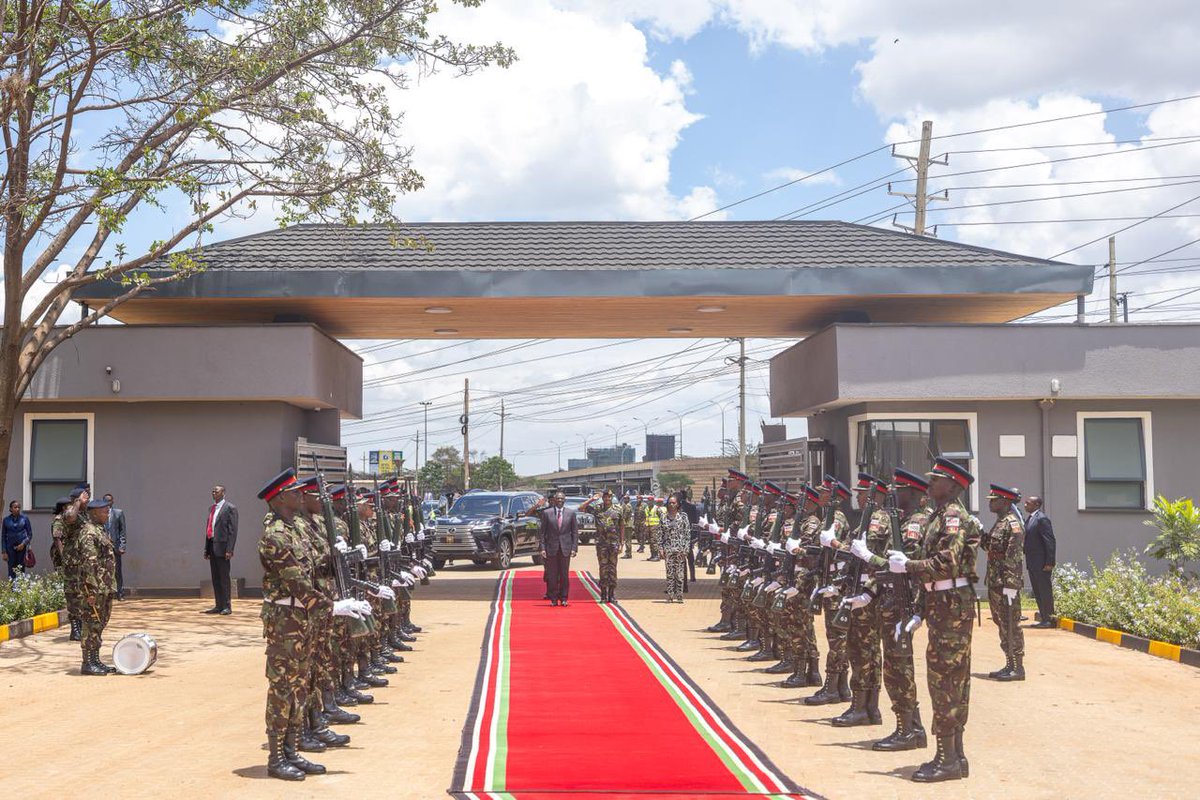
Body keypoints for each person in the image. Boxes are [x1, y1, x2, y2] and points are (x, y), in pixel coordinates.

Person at [886, 457, 982, 783]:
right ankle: (955, 755)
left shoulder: (954, 517)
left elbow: (947, 563)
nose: (930, 483)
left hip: (952, 607)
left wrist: (908, 566)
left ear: (953, 486)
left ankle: (947, 759)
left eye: (937, 479)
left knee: (946, 682)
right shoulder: (940, 516)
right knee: (949, 680)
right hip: (942, 605)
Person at [257, 468, 332, 782]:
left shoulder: (298, 529)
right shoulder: (274, 536)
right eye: (294, 491)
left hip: (303, 619)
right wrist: (332, 607)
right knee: (283, 688)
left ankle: (292, 750)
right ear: (279, 498)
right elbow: (297, 582)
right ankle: (275, 758)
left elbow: (316, 569)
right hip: (286, 620)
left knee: (301, 686)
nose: (301, 495)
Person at [61, 494, 118, 675]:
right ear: (94, 514)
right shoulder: (88, 532)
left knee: (100, 623)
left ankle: (96, 660)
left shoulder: (100, 530)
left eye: (108, 510)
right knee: (91, 623)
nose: (107, 513)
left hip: (105, 586)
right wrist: (91, 590)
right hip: (94, 587)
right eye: (104, 511)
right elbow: (89, 562)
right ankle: (87, 663)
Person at [984, 484, 1026, 681]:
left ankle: (1018, 667)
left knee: (1011, 623)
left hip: (1006, 582)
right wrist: (980, 532)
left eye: (994, 500)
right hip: (995, 580)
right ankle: (1009, 663)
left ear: (1005, 502)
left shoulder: (1012, 524)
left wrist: (1011, 584)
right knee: (1001, 622)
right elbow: (990, 548)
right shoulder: (1000, 522)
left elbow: (1014, 557)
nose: (991, 502)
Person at [581, 489, 624, 603]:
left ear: (612, 498)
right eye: (605, 497)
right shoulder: (597, 508)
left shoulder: (618, 509)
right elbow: (581, 508)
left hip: (614, 543)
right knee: (603, 568)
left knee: (613, 568)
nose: (607, 499)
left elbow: (622, 526)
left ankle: (612, 594)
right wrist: (592, 499)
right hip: (601, 543)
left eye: (609, 497)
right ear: (603, 498)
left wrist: (622, 543)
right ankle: (603, 594)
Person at [537, 491, 578, 607]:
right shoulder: (547, 513)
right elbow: (542, 533)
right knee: (552, 575)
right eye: (558, 499)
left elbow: (575, 532)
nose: (560, 501)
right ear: (554, 500)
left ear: (565, 500)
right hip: (551, 549)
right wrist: (542, 548)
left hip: (565, 548)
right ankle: (554, 598)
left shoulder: (571, 513)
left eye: (562, 499)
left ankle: (564, 598)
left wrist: (574, 548)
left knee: (564, 575)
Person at [204, 484, 238, 615]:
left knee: (224, 577)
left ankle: (227, 606)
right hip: (212, 546)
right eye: (212, 491)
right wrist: (206, 549)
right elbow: (209, 530)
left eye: (216, 491)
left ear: (223, 493)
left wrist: (230, 549)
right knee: (215, 578)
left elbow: (233, 531)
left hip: (223, 548)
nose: (213, 493)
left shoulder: (230, 508)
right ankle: (218, 605)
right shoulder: (211, 508)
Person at [1023, 496, 1056, 628]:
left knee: (1044, 590)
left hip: (1042, 563)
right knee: (1037, 591)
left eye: (1028, 503)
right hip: (1032, 562)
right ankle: (1043, 617)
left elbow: (1050, 541)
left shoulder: (1042, 519)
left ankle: (1049, 619)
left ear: (1036, 504)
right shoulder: (1031, 518)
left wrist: (1050, 562)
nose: (1025, 504)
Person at [661, 495, 691, 602]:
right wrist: (660, 548)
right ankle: (670, 595)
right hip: (668, 548)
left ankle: (679, 595)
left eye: (673, 503)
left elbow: (687, 534)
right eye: (669, 503)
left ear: (677, 504)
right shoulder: (664, 517)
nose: (671, 505)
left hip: (680, 549)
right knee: (670, 573)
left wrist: (686, 548)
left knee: (679, 573)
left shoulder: (683, 517)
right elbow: (660, 534)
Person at [102, 493, 127, 599]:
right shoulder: (99, 513)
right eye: (106, 500)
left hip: (115, 546)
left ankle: (120, 593)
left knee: (117, 571)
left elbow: (122, 531)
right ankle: (106, 594)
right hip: (103, 546)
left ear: (113, 501)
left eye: (110, 500)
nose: (108, 502)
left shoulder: (118, 513)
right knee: (103, 571)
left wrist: (122, 546)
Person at [3, 499, 33, 580]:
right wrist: (4, 551)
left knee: (21, 569)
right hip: (10, 549)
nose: (17, 509)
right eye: (15, 507)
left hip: (21, 548)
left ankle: (20, 588)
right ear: (10, 509)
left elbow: (30, 534)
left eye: (19, 507)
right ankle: (12, 589)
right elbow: (3, 536)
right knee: (11, 569)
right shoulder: (6, 520)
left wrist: (23, 544)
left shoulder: (25, 519)